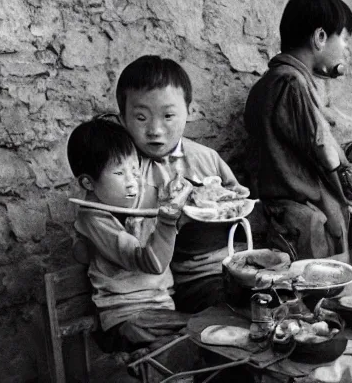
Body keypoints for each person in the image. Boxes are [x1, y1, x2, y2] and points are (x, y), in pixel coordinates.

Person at [243, 0, 352, 261]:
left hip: (291, 225)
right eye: (345, 39)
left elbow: (312, 155)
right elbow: (343, 180)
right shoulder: (292, 86)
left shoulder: (270, 84)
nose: (346, 49)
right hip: (308, 233)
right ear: (320, 38)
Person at [117, 55, 250, 314]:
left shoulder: (205, 158)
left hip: (226, 263)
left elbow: (234, 199)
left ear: (189, 111)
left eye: (168, 115)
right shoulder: (122, 172)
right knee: (230, 307)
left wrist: (235, 198)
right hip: (182, 280)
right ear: (123, 119)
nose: (155, 129)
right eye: (141, 117)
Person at [68, 116, 191, 350]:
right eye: (118, 174)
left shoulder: (137, 195)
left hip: (161, 308)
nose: (132, 182)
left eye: (134, 170)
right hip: (125, 316)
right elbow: (151, 263)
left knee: (201, 333)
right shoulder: (93, 218)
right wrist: (167, 220)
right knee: (173, 349)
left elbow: (166, 204)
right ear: (88, 183)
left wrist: (175, 194)